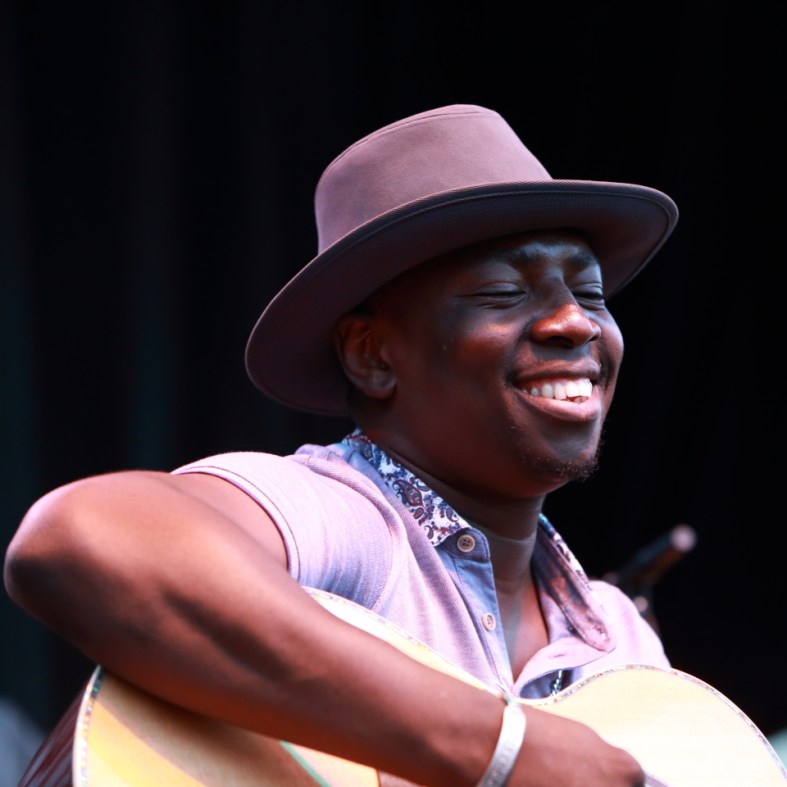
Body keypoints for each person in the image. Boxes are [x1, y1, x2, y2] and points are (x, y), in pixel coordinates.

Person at [4, 104, 680, 786]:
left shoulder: (619, 644)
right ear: (371, 355)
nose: (573, 321)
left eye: (590, 293)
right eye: (504, 292)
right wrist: (497, 747)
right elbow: (80, 537)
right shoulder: (346, 519)